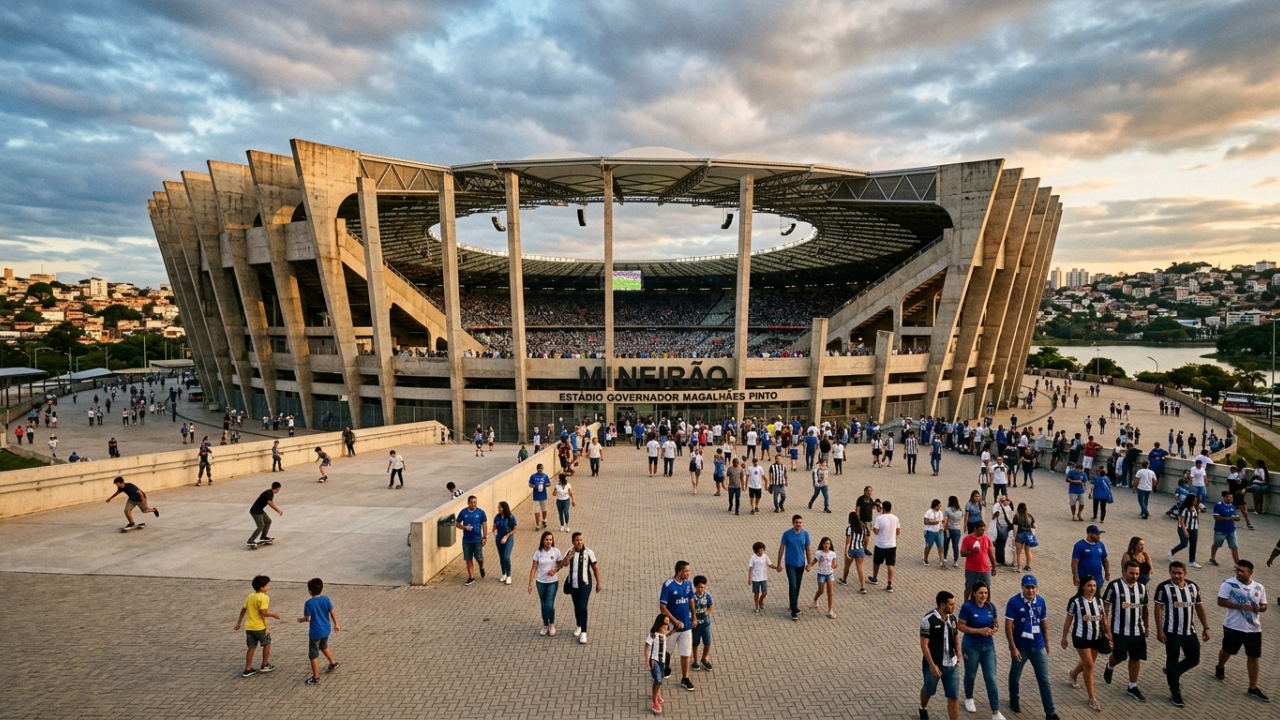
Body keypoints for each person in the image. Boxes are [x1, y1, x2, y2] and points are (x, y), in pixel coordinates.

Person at [1154, 561, 1210, 708]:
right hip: (1171, 633)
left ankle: (1172, 672)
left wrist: (1206, 627)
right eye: (1174, 572)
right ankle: (1175, 692)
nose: (1177, 576)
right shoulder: (1163, 587)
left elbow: (1199, 607)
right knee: (1172, 659)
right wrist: (1159, 630)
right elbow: (1158, 609)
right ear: (1169, 572)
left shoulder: (1193, 587)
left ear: (1185, 573)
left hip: (1189, 631)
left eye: (1179, 573)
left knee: (1194, 659)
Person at [1213, 559, 1269, 701]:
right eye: (1237, 570)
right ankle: (1220, 666)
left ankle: (1253, 688)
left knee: (1253, 657)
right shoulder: (1229, 584)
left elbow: (1264, 606)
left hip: (1254, 629)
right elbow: (1220, 601)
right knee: (1228, 651)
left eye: (1241, 571)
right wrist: (1240, 607)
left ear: (1250, 573)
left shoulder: (1259, 587)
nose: (1238, 573)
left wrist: (1258, 608)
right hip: (1233, 626)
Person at [1004, 574, 1058, 720]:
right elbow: (1009, 626)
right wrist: (1012, 647)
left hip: (1038, 645)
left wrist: (1046, 643)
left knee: (1044, 679)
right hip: (1021, 647)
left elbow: (1044, 623)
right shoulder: (1014, 602)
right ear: (1022, 587)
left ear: (1037, 588)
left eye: (1033, 587)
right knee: (1015, 676)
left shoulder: (1041, 602)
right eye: (1027, 587)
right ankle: (1013, 698)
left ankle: (1050, 712)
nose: (1031, 590)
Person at [1061, 575, 1111, 712]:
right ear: (1083, 586)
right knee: (1089, 665)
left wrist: (1109, 634)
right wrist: (1064, 637)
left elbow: (1104, 619)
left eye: (1094, 586)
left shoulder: (1099, 601)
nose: (1092, 588)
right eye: (1089, 585)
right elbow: (1068, 620)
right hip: (1080, 638)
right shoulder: (1075, 601)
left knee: (1087, 663)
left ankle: (1073, 674)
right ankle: (1092, 699)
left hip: (1096, 638)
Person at [1102, 560, 1150, 703]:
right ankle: (1110, 666)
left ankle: (1132, 686)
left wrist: (1146, 627)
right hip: (1119, 631)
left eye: (1137, 573)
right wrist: (1106, 630)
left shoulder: (1142, 588)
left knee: (1135, 658)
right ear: (1124, 571)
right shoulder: (1114, 586)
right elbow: (1105, 608)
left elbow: (1145, 609)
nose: (1134, 576)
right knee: (1120, 656)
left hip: (1137, 631)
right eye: (1131, 573)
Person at [958, 581, 1006, 720]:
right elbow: (961, 626)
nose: (984, 595)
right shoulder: (967, 607)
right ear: (974, 593)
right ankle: (969, 698)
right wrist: (978, 630)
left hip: (988, 647)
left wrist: (995, 628)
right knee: (971, 674)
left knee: (991, 678)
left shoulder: (991, 607)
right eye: (981, 593)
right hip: (971, 646)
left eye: (986, 593)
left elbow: (996, 623)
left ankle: (996, 712)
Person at [920, 590, 961, 720]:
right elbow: (924, 645)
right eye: (951, 604)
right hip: (935, 664)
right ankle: (922, 707)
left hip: (951, 665)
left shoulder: (952, 619)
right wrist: (932, 665)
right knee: (929, 689)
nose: (954, 607)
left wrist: (958, 653)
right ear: (942, 605)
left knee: (953, 696)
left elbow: (956, 637)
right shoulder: (928, 620)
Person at [659, 560, 696, 691]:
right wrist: (674, 621)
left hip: (686, 626)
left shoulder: (688, 584)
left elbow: (691, 600)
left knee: (686, 653)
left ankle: (685, 678)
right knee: (667, 650)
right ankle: (667, 666)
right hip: (672, 628)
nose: (689, 573)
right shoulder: (668, 585)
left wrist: (694, 617)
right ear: (679, 572)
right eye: (686, 571)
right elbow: (662, 607)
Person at [233, 575, 280, 677]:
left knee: (251, 647)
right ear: (262, 588)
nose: (269, 586)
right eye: (267, 585)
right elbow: (263, 612)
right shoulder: (264, 597)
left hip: (249, 627)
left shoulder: (250, 596)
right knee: (267, 644)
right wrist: (274, 615)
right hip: (260, 627)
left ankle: (248, 668)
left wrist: (238, 622)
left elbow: (243, 610)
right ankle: (265, 664)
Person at [297, 577, 340, 685]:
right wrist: (336, 624)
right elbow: (332, 612)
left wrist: (301, 620)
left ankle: (316, 677)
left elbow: (308, 618)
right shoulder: (326, 599)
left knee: (313, 654)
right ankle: (333, 663)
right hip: (326, 629)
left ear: (310, 591)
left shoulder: (309, 603)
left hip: (315, 632)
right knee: (324, 645)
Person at [563, 531, 602, 645]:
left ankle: (584, 632)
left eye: (581, 540)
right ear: (573, 542)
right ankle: (579, 626)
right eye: (577, 540)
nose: (579, 542)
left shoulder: (589, 552)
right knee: (576, 606)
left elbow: (595, 568)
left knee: (583, 606)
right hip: (573, 584)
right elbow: (564, 564)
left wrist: (598, 583)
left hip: (585, 585)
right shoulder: (569, 551)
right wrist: (569, 556)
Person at [777, 514, 813, 621]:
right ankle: (793, 610)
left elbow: (808, 549)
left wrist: (809, 563)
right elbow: (781, 549)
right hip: (790, 564)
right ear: (792, 523)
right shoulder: (787, 534)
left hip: (801, 564)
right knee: (793, 585)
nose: (798, 524)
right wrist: (779, 564)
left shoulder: (805, 534)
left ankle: (793, 604)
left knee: (797, 585)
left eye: (800, 522)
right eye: (796, 522)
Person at [528, 531, 562, 635]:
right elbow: (534, 568)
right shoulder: (538, 553)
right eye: (547, 539)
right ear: (543, 541)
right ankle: (545, 625)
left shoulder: (556, 552)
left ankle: (552, 624)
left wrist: (555, 570)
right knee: (543, 604)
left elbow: (560, 565)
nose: (549, 542)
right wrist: (530, 583)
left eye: (550, 540)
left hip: (552, 582)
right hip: (541, 582)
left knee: (549, 604)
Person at [456, 495, 488, 585]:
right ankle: (471, 577)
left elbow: (484, 524)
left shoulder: (481, 512)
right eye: (472, 502)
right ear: (468, 503)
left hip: (477, 539)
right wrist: (464, 527)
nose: (473, 504)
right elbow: (457, 523)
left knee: (479, 557)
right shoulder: (463, 512)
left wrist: (484, 537)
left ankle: (481, 567)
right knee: (468, 559)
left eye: (475, 502)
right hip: (467, 540)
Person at [961, 522, 996, 602]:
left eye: (984, 530)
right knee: (969, 587)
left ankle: (988, 604)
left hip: (985, 569)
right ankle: (966, 603)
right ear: (975, 529)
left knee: (987, 587)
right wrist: (971, 552)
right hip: (971, 569)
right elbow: (962, 553)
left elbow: (990, 553)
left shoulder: (986, 539)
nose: (982, 532)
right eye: (980, 530)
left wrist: (993, 566)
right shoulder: (967, 539)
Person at [870, 500, 901, 593]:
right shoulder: (895, 518)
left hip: (880, 544)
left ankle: (875, 578)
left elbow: (876, 531)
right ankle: (889, 584)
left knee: (877, 562)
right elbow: (898, 532)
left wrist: (872, 529)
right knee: (890, 564)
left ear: (883, 509)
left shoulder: (879, 518)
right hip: (891, 545)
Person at [645, 614, 672, 714]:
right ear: (659, 623)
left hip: (662, 661)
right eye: (664, 623)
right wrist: (647, 660)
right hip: (654, 661)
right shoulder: (653, 635)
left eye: (667, 624)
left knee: (661, 678)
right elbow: (646, 647)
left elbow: (668, 635)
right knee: (658, 680)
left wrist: (676, 629)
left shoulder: (663, 635)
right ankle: (654, 702)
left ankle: (657, 694)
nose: (666, 626)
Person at [1168, 494, 1202, 569]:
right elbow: (1181, 521)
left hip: (1194, 528)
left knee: (1193, 544)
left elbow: (1196, 517)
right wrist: (1185, 531)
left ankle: (1192, 561)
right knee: (1184, 543)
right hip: (1183, 528)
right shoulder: (1184, 509)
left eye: (1196, 500)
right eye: (1194, 500)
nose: (1196, 502)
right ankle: (1171, 553)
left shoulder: (1195, 508)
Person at [1209, 489, 1242, 567]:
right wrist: (1227, 519)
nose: (1230, 499)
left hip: (1231, 529)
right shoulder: (1219, 505)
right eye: (1228, 497)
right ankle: (1212, 557)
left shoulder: (1232, 506)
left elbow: (1235, 516)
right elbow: (1216, 517)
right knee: (1216, 544)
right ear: (1224, 497)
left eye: (1231, 497)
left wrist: (1237, 518)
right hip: (1220, 530)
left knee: (1234, 546)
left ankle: (1237, 563)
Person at [810, 536, 838, 618]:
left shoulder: (832, 553)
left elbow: (835, 563)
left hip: (830, 574)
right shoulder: (819, 553)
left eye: (828, 544)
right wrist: (809, 565)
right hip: (821, 574)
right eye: (825, 543)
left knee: (830, 592)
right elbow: (814, 561)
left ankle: (830, 610)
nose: (827, 545)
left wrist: (835, 565)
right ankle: (815, 599)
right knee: (821, 590)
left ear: (830, 545)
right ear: (822, 544)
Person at [840, 512, 868, 594]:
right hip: (860, 549)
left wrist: (846, 552)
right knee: (860, 569)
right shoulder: (863, 527)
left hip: (851, 549)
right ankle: (863, 587)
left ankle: (844, 580)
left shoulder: (849, 527)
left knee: (847, 566)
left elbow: (848, 540)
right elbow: (864, 539)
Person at [247, 482, 282, 547]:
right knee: (260, 526)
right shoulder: (269, 493)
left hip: (260, 510)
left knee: (268, 521)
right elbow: (269, 502)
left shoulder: (270, 492)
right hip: (255, 511)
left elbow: (270, 501)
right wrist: (278, 510)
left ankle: (263, 537)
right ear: (277, 488)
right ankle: (250, 540)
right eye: (279, 489)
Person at [690, 575, 714, 668]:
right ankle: (695, 661)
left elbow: (711, 605)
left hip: (705, 624)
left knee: (707, 643)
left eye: (703, 587)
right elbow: (690, 609)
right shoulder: (692, 597)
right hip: (695, 626)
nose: (701, 589)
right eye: (699, 587)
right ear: (695, 587)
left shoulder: (707, 596)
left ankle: (704, 658)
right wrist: (693, 618)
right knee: (695, 643)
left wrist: (708, 611)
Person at [748, 541, 778, 611]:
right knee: (756, 593)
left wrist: (776, 567)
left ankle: (760, 601)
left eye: (763, 549)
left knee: (764, 592)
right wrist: (750, 578)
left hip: (763, 577)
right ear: (757, 550)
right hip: (755, 578)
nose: (762, 551)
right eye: (760, 550)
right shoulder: (753, 558)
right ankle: (756, 606)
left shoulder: (765, 556)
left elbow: (770, 564)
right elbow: (750, 567)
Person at [493, 501, 517, 584]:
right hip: (499, 538)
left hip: (508, 538)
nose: (499, 509)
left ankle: (509, 575)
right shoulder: (497, 517)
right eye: (498, 507)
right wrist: (494, 533)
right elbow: (495, 527)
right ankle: (504, 573)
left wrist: (507, 536)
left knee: (506, 556)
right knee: (501, 557)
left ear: (504, 508)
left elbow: (515, 529)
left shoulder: (510, 517)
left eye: (500, 507)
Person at [1012, 503, 1036, 572]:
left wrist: (1014, 537)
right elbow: (1034, 526)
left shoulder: (1017, 516)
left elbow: (1015, 527)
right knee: (1028, 551)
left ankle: (1019, 567)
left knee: (1019, 552)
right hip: (1028, 534)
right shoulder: (1029, 516)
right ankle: (1028, 565)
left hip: (1020, 534)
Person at [943, 496, 965, 570]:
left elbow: (945, 521)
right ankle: (955, 561)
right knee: (955, 546)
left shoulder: (947, 510)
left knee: (946, 544)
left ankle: (945, 557)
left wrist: (944, 528)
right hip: (957, 529)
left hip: (949, 529)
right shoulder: (960, 511)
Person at [992, 495, 1015, 568]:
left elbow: (1012, 510)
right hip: (999, 527)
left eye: (1006, 500)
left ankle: (1001, 560)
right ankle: (999, 560)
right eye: (1003, 500)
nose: (1005, 501)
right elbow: (994, 515)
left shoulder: (1008, 506)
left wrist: (1010, 503)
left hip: (1006, 527)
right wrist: (996, 513)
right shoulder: (997, 506)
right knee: (1000, 544)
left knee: (1002, 544)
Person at [924, 499, 946, 567]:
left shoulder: (940, 512)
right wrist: (933, 523)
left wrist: (942, 526)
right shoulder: (929, 512)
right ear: (934, 506)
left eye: (940, 506)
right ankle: (926, 558)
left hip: (939, 532)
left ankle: (941, 560)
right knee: (929, 546)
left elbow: (942, 521)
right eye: (938, 506)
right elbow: (925, 522)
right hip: (930, 532)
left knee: (940, 546)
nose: (939, 508)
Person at [528, 463, 551, 529]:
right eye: (539, 468)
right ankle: (537, 524)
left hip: (543, 496)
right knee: (536, 511)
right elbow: (529, 484)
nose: (540, 470)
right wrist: (534, 486)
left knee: (544, 509)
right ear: (537, 469)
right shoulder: (533, 476)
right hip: (536, 497)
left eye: (542, 468)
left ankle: (544, 520)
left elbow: (549, 483)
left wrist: (545, 485)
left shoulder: (545, 476)